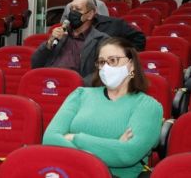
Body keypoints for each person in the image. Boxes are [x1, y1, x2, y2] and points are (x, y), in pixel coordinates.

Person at [43, 37, 163, 178]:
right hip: (69, 172)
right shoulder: (80, 95)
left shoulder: (148, 106)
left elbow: (127, 154)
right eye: (102, 62)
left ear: (131, 65)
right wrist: (114, 145)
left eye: (113, 60)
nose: (106, 67)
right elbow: (50, 139)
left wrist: (75, 138)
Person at [32, 0, 109, 86]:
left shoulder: (101, 40)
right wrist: (49, 43)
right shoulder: (60, 34)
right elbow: (35, 63)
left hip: (77, 88)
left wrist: (79, 84)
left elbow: (103, 72)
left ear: (90, 14)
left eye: (78, 9)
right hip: (49, 83)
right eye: (71, 9)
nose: (72, 12)